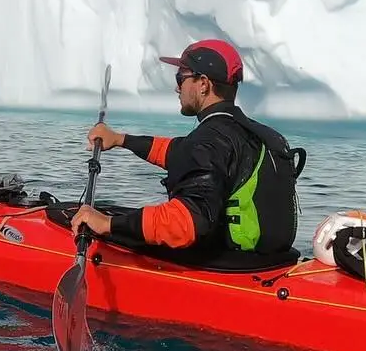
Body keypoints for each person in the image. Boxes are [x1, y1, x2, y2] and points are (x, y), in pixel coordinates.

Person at [71, 39, 306, 265]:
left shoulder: (211, 139)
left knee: (120, 223)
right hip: (267, 261)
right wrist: (121, 139)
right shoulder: (252, 132)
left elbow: (185, 224)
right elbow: (179, 152)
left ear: (203, 84)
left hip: (229, 264)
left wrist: (107, 223)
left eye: (180, 77)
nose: (176, 87)